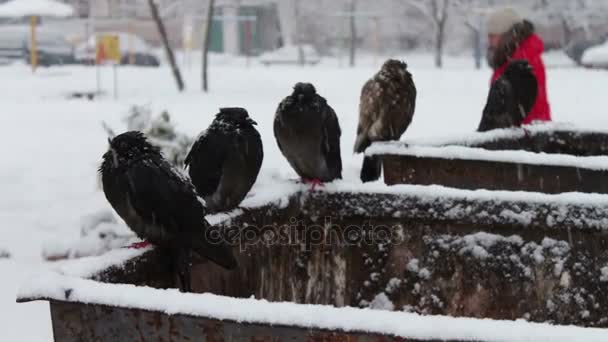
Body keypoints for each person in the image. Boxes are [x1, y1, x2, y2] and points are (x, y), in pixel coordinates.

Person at [486, 8, 551, 124]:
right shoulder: (508, 58)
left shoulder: (522, 60)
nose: (489, 40)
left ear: (506, 35)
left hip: (527, 134)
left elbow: (522, 108)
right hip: (523, 132)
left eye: (493, 35)